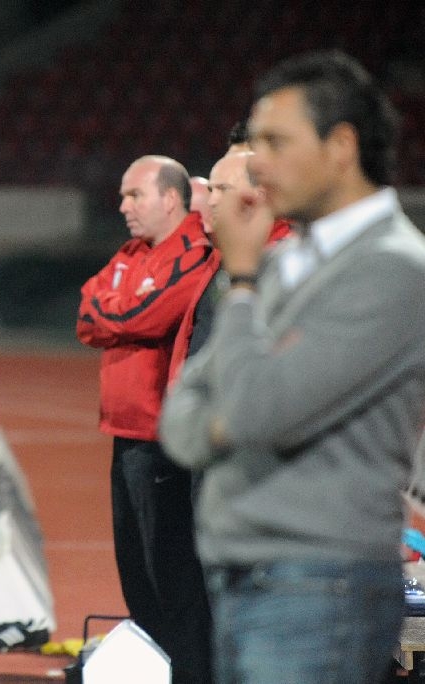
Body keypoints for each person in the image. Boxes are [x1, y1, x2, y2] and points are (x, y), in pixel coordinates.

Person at [159, 50, 425, 684]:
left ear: (341, 146)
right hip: (249, 573)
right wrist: (230, 413)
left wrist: (241, 282)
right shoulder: (284, 262)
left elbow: (253, 412)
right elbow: (182, 421)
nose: (259, 164)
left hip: (322, 582)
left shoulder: (393, 269)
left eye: (276, 143)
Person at [75, 155, 216, 683]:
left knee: (172, 579)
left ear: (171, 199)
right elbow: (87, 311)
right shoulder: (132, 252)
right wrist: (123, 310)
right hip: (123, 434)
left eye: (134, 194)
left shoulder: (194, 252)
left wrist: (118, 311)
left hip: (162, 440)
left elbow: (146, 316)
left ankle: (191, 673)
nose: (123, 206)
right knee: (136, 576)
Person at [168, 150, 293, 383]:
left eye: (223, 189)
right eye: (211, 190)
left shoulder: (285, 259)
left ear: (260, 193)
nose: (212, 201)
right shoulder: (224, 251)